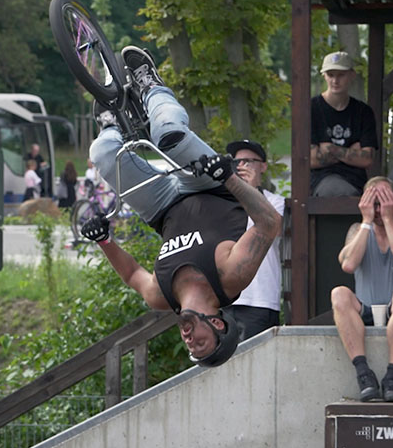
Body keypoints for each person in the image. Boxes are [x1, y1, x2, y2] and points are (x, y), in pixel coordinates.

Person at [84, 46, 281, 367]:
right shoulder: (231, 278)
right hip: (212, 187)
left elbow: (133, 274)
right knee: (169, 136)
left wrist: (104, 240)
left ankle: (110, 122)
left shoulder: (161, 296)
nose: (188, 340)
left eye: (190, 346)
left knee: (104, 156)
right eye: (200, 342)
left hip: (162, 207)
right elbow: (269, 223)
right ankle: (151, 86)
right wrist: (229, 177)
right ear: (218, 324)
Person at [330, 177, 393, 402]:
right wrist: (366, 221)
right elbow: (348, 264)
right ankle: (363, 373)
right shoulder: (357, 230)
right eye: (373, 202)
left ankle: (392, 376)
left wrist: (389, 219)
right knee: (339, 293)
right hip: (367, 311)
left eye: (383, 200)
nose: (378, 208)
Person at [223, 139, 286, 339]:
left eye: (248, 161)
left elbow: (274, 229)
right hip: (224, 298)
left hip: (260, 299)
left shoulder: (275, 202)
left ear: (263, 167)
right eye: (236, 162)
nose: (241, 166)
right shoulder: (223, 202)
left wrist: (249, 190)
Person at [310, 51, 379, 197]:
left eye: (341, 75)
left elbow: (367, 159)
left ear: (352, 75)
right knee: (338, 191)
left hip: (357, 184)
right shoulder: (311, 108)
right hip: (321, 183)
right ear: (324, 76)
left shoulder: (363, 111)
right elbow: (310, 159)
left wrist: (331, 148)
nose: (335, 80)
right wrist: (351, 151)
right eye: (330, 75)